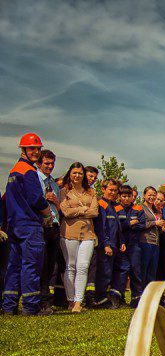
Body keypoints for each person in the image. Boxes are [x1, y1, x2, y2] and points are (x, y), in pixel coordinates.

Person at [2, 133, 53, 315]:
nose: (36, 152)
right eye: (32, 148)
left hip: (14, 225)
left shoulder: (14, 171)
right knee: (31, 265)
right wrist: (48, 213)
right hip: (30, 224)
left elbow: (5, 199)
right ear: (23, 149)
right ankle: (31, 306)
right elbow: (36, 199)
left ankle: (9, 306)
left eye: (38, 148)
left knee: (14, 265)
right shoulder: (29, 171)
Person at [58, 162, 98, 313]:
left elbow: (95, 212)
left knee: (83, 267)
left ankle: (78, 302)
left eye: (80, 173)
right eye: (74, 173)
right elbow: (65, 212)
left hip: (88, 233)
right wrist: (83, 209)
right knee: (71, 266)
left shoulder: (91, 192)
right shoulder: (64, 191)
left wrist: (76, 210)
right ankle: (70, 299)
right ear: (70, 174)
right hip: (69, 232)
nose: (77, 176)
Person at [36, 149, 66, 309]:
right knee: (41, 264)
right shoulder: (34, 179)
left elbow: (59, 208)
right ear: (39, 163)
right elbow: (33, 200)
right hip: (41, 225)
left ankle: (46, 298)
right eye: (46, 163)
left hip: (54, 225)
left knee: (50, 265)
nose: (50, 166)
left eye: (52, 163)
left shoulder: (53, 183)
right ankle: (39, 299)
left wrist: (55, 201)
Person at [112, 185, 144, 307]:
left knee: (136, 271)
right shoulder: (116, 209)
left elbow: (142, 225)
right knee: (121, 271)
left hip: (135, 245)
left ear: (133, 197)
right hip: (121, 245)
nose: (126, 199)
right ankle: (118, 298)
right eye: (124, 196)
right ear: (119, 197)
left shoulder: (138, 208)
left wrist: (126, 225)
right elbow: (116, 227)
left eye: (129, 196)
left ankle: (136, 298)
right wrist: (129, 223)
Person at [91, 179, 121, 308]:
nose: (113, 193)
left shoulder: (112, 205)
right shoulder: (101, 204)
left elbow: (117, 226)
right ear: (103, 189)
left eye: (115, 190)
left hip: (114, 244)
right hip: (105, 245)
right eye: (111, 190)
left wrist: (121, 242)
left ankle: (104, 297)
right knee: (104, 272)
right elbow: (101, 227)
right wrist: (106, 244)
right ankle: (100, 299)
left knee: (109, 272)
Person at [135, 186, 165, 305]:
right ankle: (140, 296)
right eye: (150, 194)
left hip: (155, 243)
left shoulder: (154, 209)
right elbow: (138, 224)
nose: (152, 197)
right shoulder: (140, 208)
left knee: (152, 273)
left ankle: (150, 297)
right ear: (144, 195)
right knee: (144, 271)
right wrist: (155, 223)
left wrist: (161, 226)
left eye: (154, 195)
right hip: (145, 242)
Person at [154, 191, 165, 282]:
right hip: (151, 242)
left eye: (162, 201)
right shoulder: (148, 211)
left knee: (163, 268)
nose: (159, 202)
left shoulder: (164, 211)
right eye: (157, 199)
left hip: (163, 242)